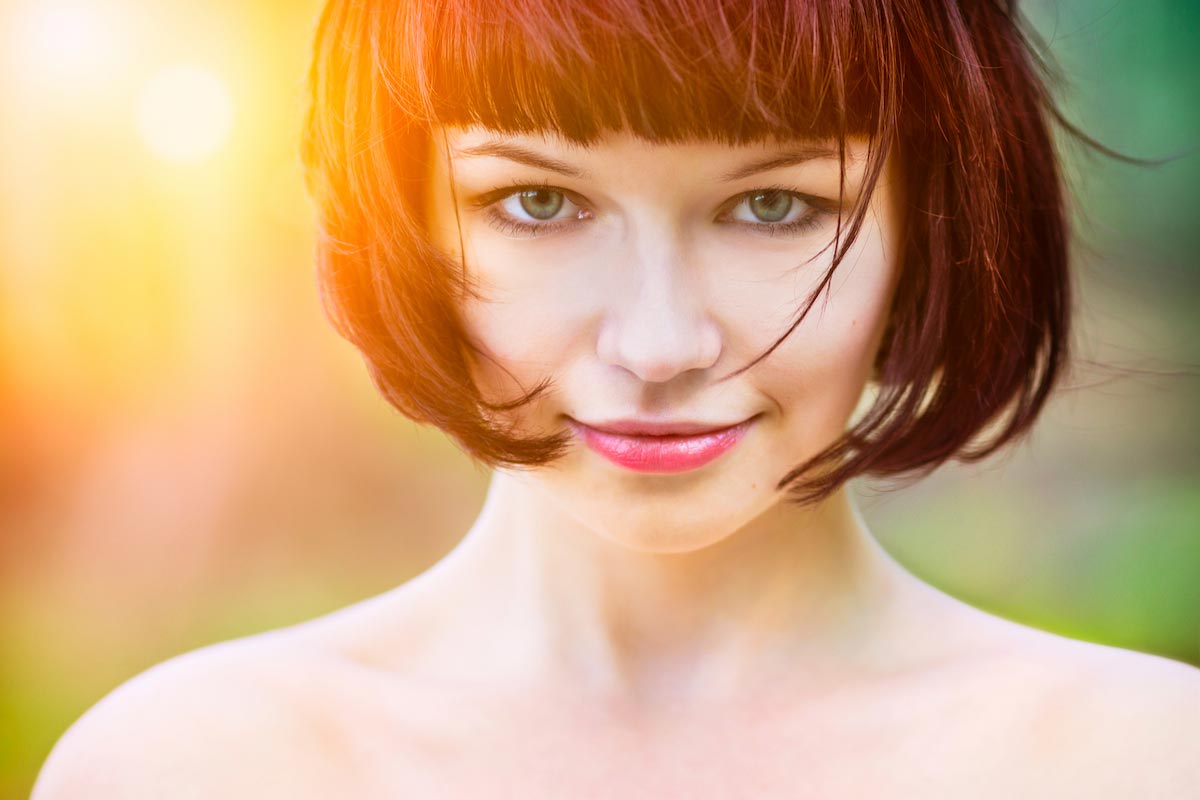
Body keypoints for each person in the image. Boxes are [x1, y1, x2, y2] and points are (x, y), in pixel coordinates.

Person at [33, 0, 1199, 796]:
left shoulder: (1137, 761)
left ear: (929, 224)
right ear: (402, 221)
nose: (657, 343)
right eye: (539, 202)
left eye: (774, 206)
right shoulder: (188, 767)